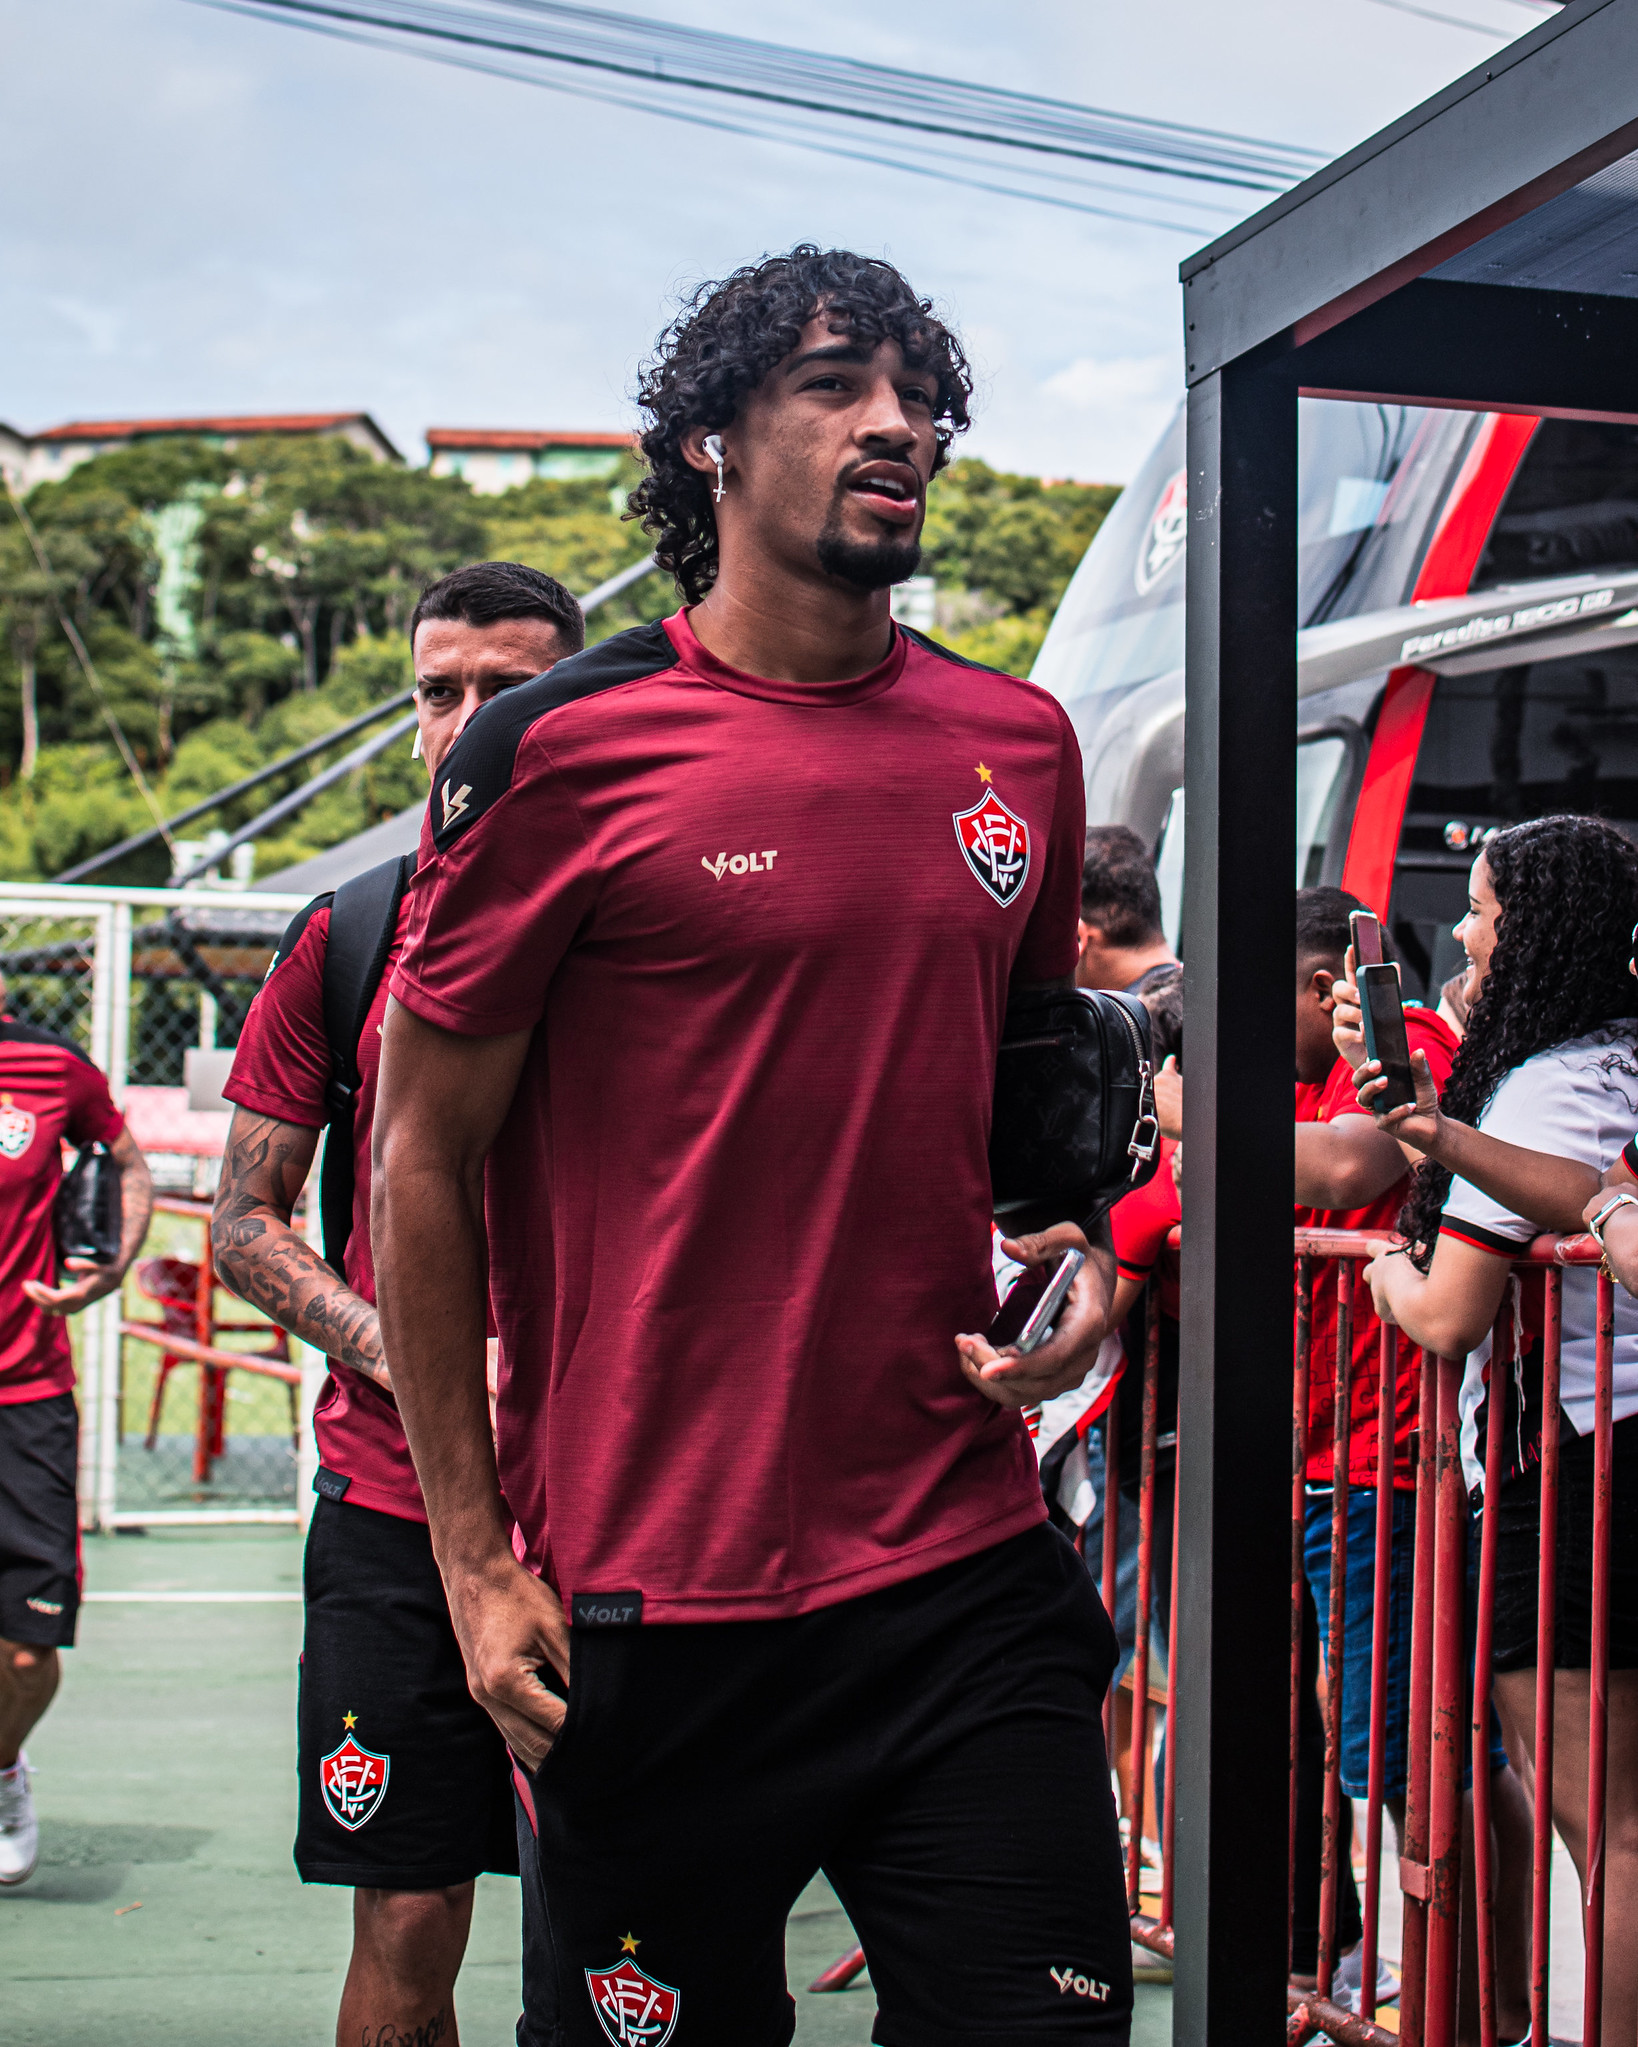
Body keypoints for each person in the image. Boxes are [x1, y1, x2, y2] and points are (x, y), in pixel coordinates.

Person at [372, 246, 1134, 2045]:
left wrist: (1078, 1264)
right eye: (831, 385)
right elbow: (418, 1157)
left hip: (956, 1567)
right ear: (709, 440)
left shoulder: (1013, 741)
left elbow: (1028, 1132)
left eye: (917, 394)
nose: (898, 425)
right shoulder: (556, 747)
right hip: (653, 1593)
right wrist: (475, 1565)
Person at [211, 562, 583, 2047]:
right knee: (409, 1907)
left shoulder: (660, 932)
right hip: (395, 1499)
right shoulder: (348, 931)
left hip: (622, 1492)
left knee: (633, 1919)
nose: (470, 722)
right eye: (442, 692)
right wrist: (400, 1343)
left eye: (513, 690)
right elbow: (245, 1219)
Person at [1356, 815, 1638, 2045]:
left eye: (1479, 911)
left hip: (1571, 1469)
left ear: (1530, 931)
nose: (1461, 933)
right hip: (1610, 1444)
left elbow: (1450, 1311)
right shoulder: (1616, 1061)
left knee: (1614, 1827)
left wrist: (1378, 1272)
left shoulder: (1550, 1082)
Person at [1291, 887, 1477, 2007]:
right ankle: (1436, 1974)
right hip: (1340, 1454)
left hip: (1392, 1455)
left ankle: (1462, 1990)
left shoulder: (1419, 1051)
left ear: (1327, 987)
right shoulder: (1322, 1063)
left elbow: (1341, 1173)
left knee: (1414, 1752)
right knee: (1375, 1735)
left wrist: (1183, 1107)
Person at [0, 983, 152, 1886]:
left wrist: (110, 1267)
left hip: (26, 1393)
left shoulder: (51, 1066)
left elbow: (125, 1161)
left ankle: (4, 1768)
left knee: (28, 1646)